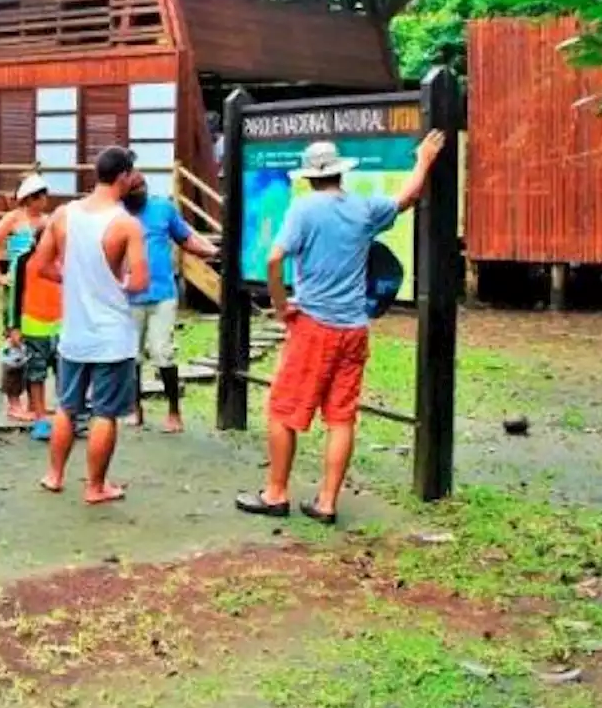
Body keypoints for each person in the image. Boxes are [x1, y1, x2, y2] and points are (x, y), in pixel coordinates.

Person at [235, 131, 446, 526]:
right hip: (354, 328)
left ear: (310, 176)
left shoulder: (303, 210)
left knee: (283, 410)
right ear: (339, 173)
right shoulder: (363, 208)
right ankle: (327, 502)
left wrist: (281, 306)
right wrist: (424, 159)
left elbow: (275, 259)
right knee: (341, 417)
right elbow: (406, 198)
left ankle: (276, 492)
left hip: (314, 325)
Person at [31, 146, 149, 505]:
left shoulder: (63, 214)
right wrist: (118, 283)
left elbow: (40, 265)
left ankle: (55, 475)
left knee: (67, 406)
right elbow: (141, 282)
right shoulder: (126, 224)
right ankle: (95, 486)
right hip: (111, 334)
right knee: (104, 412)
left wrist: (71, 279)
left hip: (75, 331)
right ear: (124, 176)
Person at [123, 173, 218, 433]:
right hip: (129, 296)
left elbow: (185, 238)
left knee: (162, 351)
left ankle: (174, 411)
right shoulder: (117, 214)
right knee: (132, 355)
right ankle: (135, 408)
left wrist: (212, 252)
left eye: (140, 188)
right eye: (132, 190)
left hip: (162, 293)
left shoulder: (162, 209)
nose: (137, 193)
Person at [0, 173, 53, 422]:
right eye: (41, 196)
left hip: (40, 284)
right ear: (30, 198)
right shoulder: (14, 219)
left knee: (37, 344)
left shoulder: (47, 221)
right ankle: (13, 401)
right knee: (16, 342)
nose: (45, 200)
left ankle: (36, 402)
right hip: (17, 282)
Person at [7, 222, 63, 428]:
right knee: (35, 373)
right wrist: (14, 326)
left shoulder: (63, 261)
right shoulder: (24, 262)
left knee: (64, 374)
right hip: (33, 326)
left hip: (61, 327)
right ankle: (39, 417)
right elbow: (15, 295)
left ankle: (66, 417)